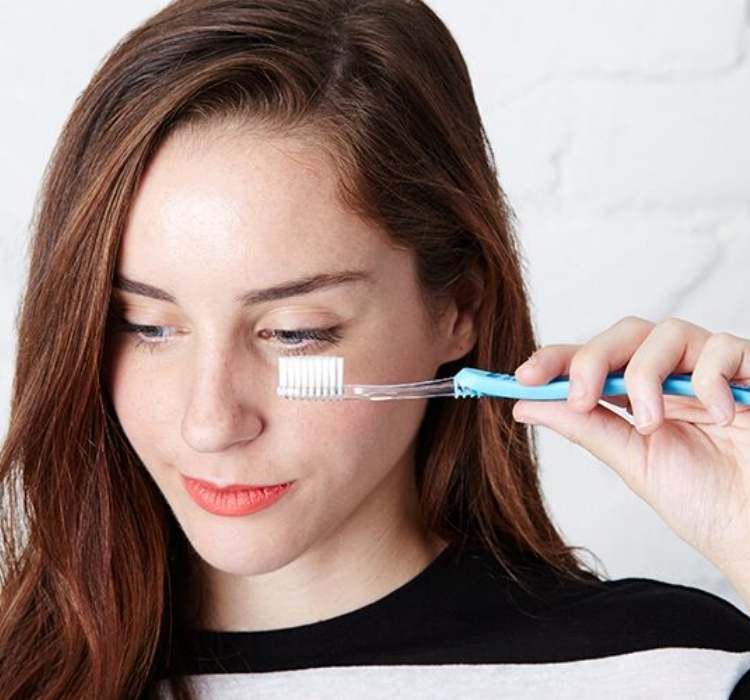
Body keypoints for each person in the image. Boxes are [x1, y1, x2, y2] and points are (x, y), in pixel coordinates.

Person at [1, 1, 749, 698]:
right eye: (147, 327)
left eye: (295, 332)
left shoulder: (669, 671)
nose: (210, 422)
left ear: (459, 308)